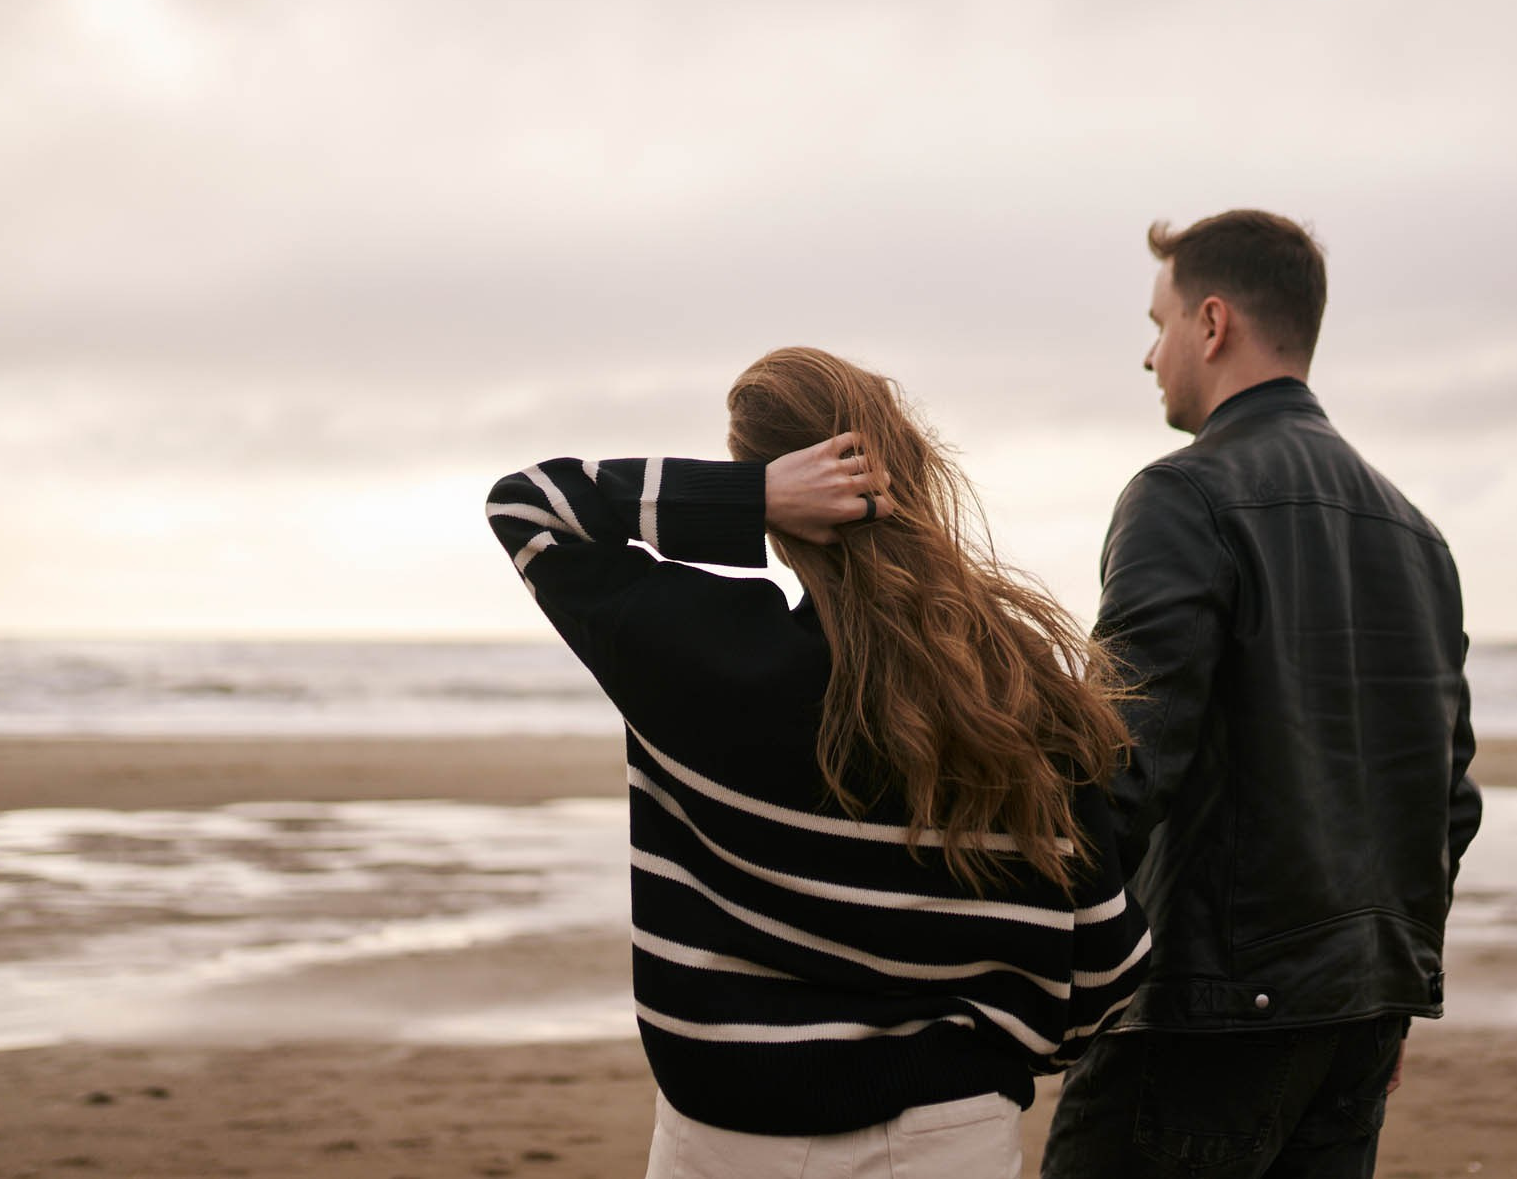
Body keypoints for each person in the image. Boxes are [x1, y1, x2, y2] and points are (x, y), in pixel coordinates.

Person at [485, 345, 1152, 1179]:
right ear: (910, 466)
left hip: (722, 1138)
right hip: (950, 1136)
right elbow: (1106, 966)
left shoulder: (694, 649)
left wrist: (750, 500)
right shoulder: (1014, 688)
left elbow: (528, 505)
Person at [1043, 210, 1482, 1179]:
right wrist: (1390, 988)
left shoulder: (1182, 495)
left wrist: (1035, 965)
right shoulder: (1418, 533)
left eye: (1156, 323)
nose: (1148, 354)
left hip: (1205, 1012)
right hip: (1358, 1013)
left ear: (1211, 322)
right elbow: (1445, 792)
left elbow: (1120, 760)